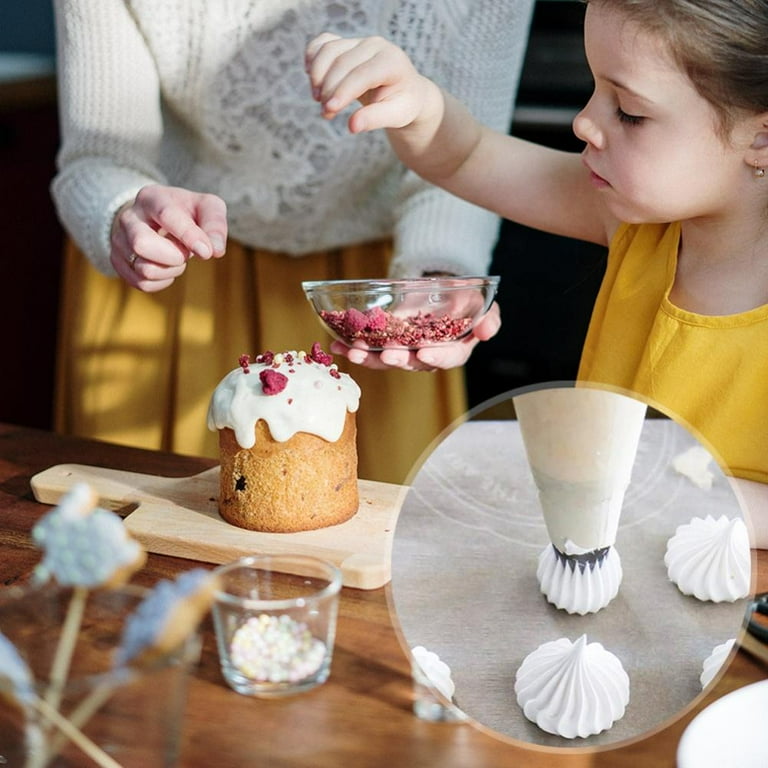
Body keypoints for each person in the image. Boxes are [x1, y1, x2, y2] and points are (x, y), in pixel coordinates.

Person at [305, 0, 768, 544]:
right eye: (596, 87)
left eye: (630, 111)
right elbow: (467, 157)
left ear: (760, 137)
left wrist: (652, 493)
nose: (584, 122)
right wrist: (418, 103)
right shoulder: (636, 225)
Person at [50, 0, 534, 485]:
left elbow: (467, 159)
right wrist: (122, 215)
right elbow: (98, 156)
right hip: (172, 272)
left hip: (380, 294)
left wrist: (437, 285)